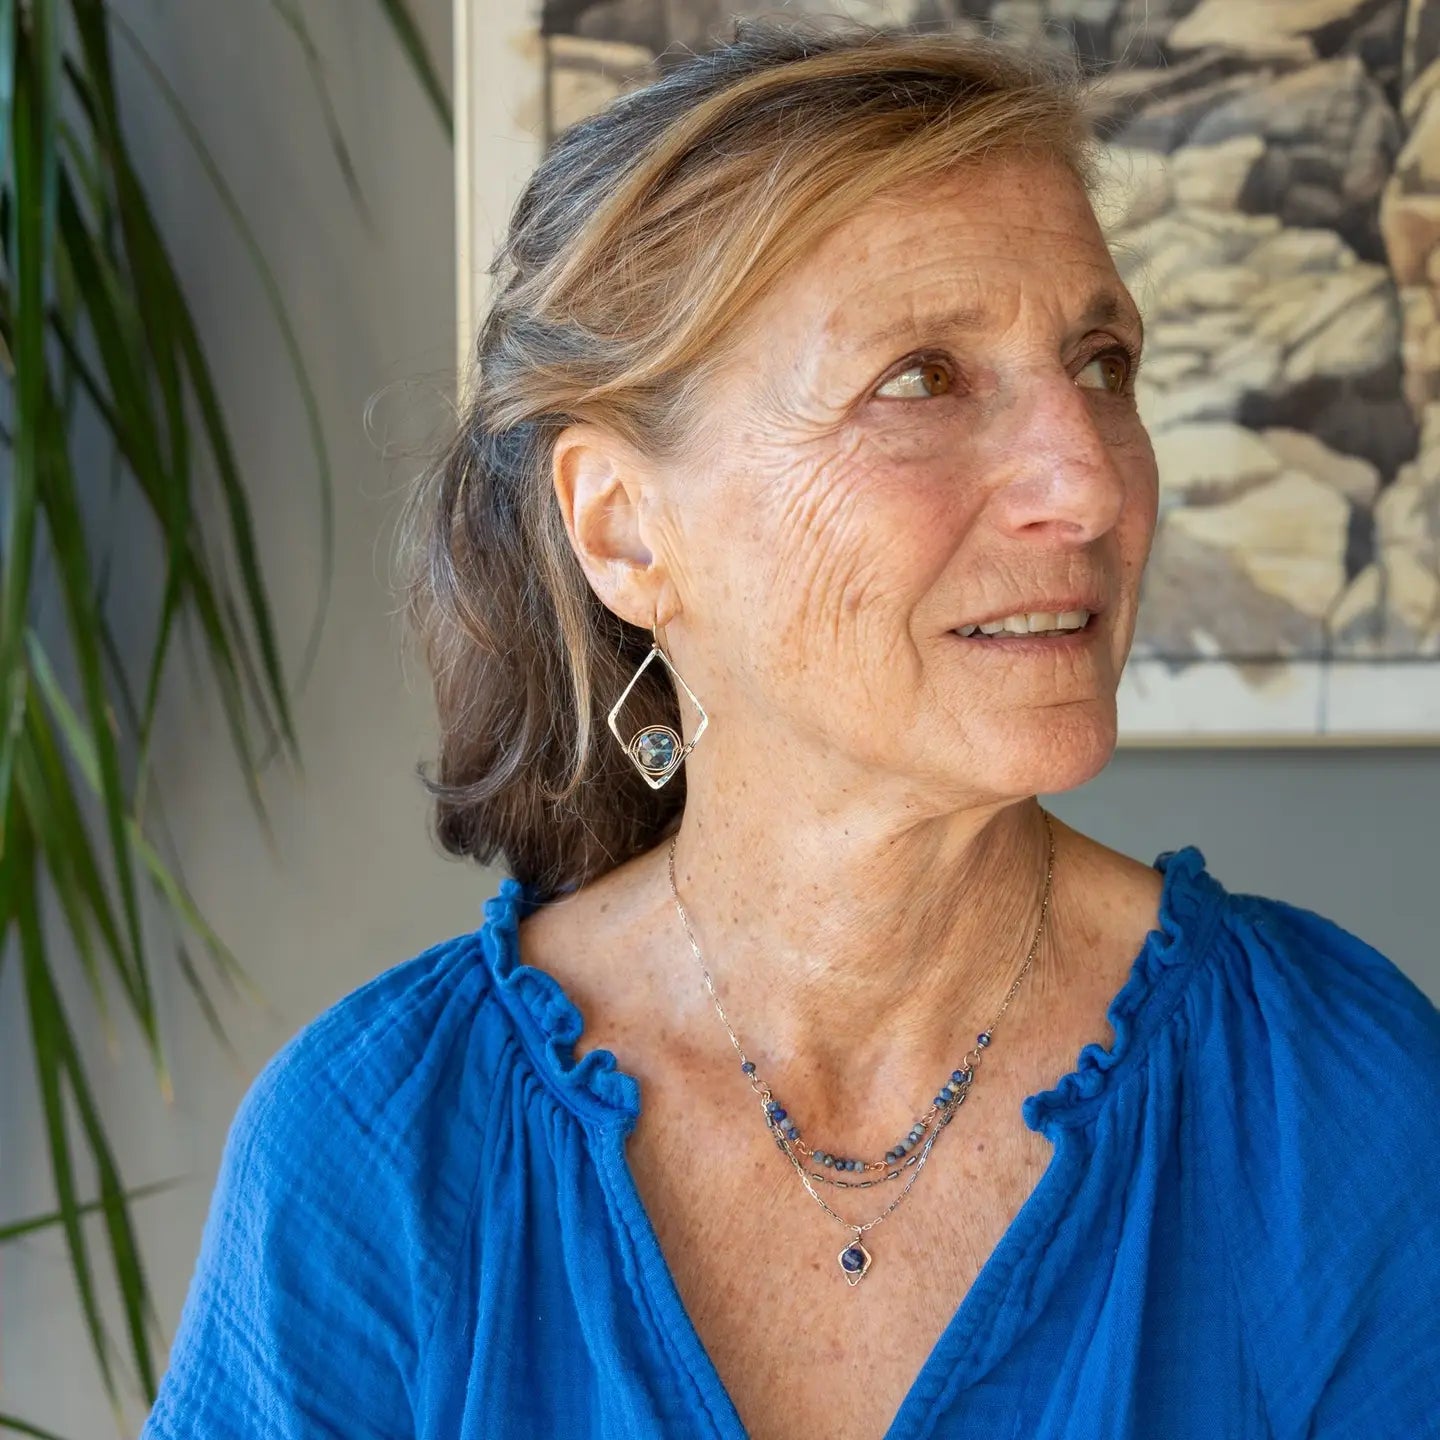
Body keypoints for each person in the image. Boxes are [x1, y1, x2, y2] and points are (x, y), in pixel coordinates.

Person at [142, 21, 1440, 1440]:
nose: (1089, 484)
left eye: (1104, 364)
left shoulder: (1337, 1111)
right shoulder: (378, 1158)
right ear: (627, 531)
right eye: (921, 379)